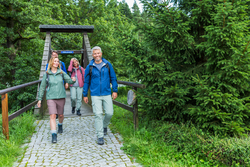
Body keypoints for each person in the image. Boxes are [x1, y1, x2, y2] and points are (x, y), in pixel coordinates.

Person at [83, 46, 118, 145]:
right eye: (95, 53)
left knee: (109, 113)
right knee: (98, 114)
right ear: (92, 55)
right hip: (95, 94)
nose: (97, 55)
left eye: (98, 53)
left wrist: (114, 90)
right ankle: (100, 136)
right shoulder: (90, 67)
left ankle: (104, 125)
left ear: (101, 53)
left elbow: (113, 78)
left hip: (106, 92)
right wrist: (85, 94)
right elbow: (86, 81)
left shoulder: (107, 65)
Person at [37, 57, 76, 143]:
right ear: (51, 62)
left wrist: (73, 80)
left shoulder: (61, 73)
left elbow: (69, 80)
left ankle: (60, 124)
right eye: (55, 61)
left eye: (57, 61)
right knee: (53, 116)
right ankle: (54, 135)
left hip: (61, 97)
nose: (56, 62)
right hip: (51, 97)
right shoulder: (46, 74)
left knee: (60, 115)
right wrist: (39, 99)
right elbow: (42, 87)